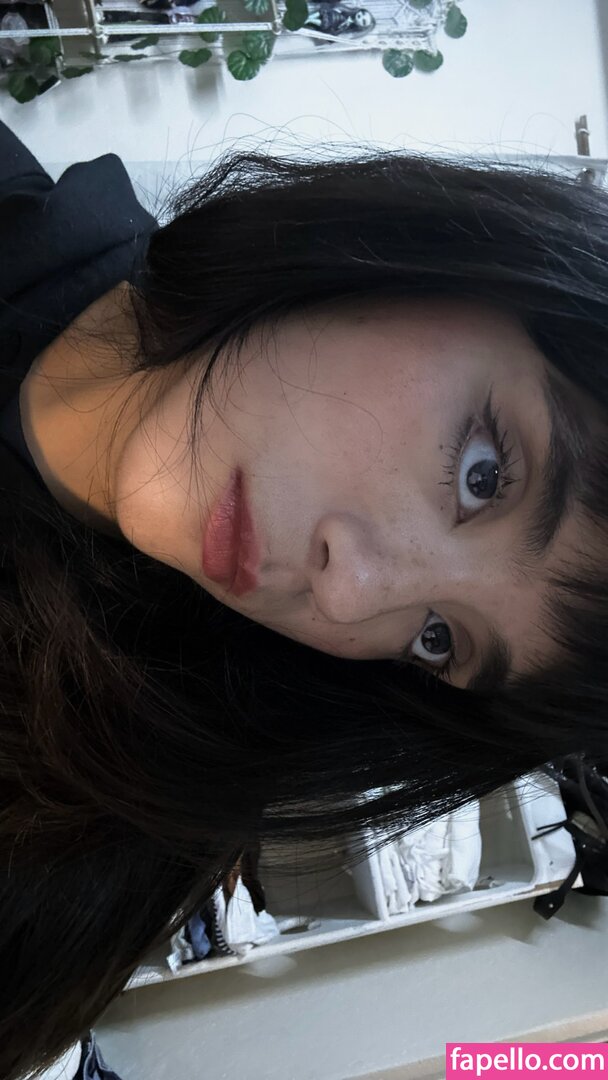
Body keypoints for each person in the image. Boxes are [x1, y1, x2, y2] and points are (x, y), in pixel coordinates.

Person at [0, 119, 606, 1080]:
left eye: (438, 639)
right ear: (434, 257)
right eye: (484, 475)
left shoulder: (80, 830)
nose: (349, 594)